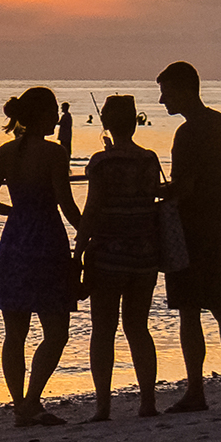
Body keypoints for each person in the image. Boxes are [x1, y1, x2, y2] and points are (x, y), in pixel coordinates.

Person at [0, 87, 83, 427]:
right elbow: (65, 203)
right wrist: (91, 231)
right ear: (41, 115)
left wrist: (17, 213)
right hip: (47, 240)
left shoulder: (5, 151)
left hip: (14, 240)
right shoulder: (55, 153)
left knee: (15, 332)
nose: (56, 117)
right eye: (53, 111)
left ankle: (19, 404)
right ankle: (31, 400)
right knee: (55, 330)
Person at [157, 60, 221, 412]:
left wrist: (155, 192)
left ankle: (196, 391)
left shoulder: (187, 133)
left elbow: (186, 187)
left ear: (184, 91)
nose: (161, 101)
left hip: (190, 229)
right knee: (220, 304)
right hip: (219, 225)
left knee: (188, 310)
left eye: (166, 93)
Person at [77, 95, 162, 421]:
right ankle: (148, 401)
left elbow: (93, 206)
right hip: (144, 255)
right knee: (138, 328)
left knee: (103, 330)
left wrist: (79, 247)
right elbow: (154, 196)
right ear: (136, 122)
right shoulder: (149, 158)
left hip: (108, 255)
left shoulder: (101, 162)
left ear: (107, 123)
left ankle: (103, 406)